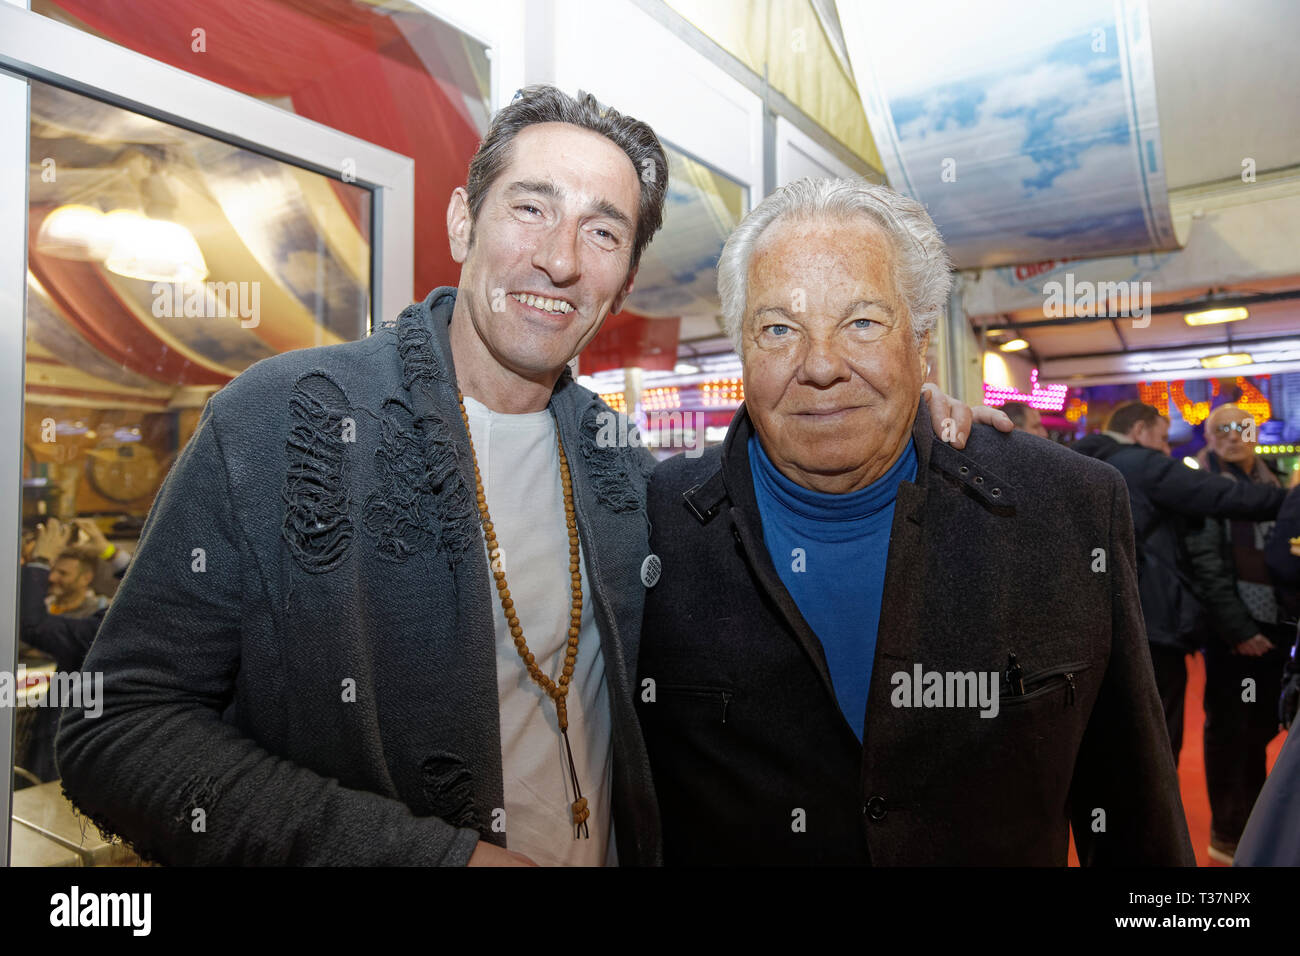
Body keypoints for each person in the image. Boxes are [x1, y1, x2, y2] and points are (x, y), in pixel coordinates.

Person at [58, 87, 995, 867]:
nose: (558, 257)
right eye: (531, 207)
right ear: (465, 219)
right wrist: (434, 861)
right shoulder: (283, 421)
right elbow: (116, 728)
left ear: (624, 276)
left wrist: (903, 413)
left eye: (603, 230)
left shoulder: (625, 470)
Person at [635, 177, 1194, 865]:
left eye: (863, 322)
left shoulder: (1069, 507)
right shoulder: (652, 521)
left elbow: (1135, 812)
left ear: (923, 339)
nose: (820, 366)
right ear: (741, 348)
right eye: (779, 328)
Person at [1073, 402, 1287, 763]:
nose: (1167, 450)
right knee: (1168, 739)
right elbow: (1219, 513)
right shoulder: (1143, 463)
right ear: (1140, 431)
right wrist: (1293, 501)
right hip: (1161, 622)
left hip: (1123, 619)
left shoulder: (1094, 463)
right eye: (1162, 438)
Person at [1183, 403, 1298, 863]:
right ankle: (1230, 837)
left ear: (1255, 433)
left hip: (1280, 627)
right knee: (1233, 738)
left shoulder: (1274, 480)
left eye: (1240, 427)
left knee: (1267, 729)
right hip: (1235, 635)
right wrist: (1238, 629)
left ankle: (1262, 831)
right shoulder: (1201, 486)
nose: (1233, 435)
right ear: (1210, 437)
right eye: (1222, 429)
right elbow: (1205, 567)